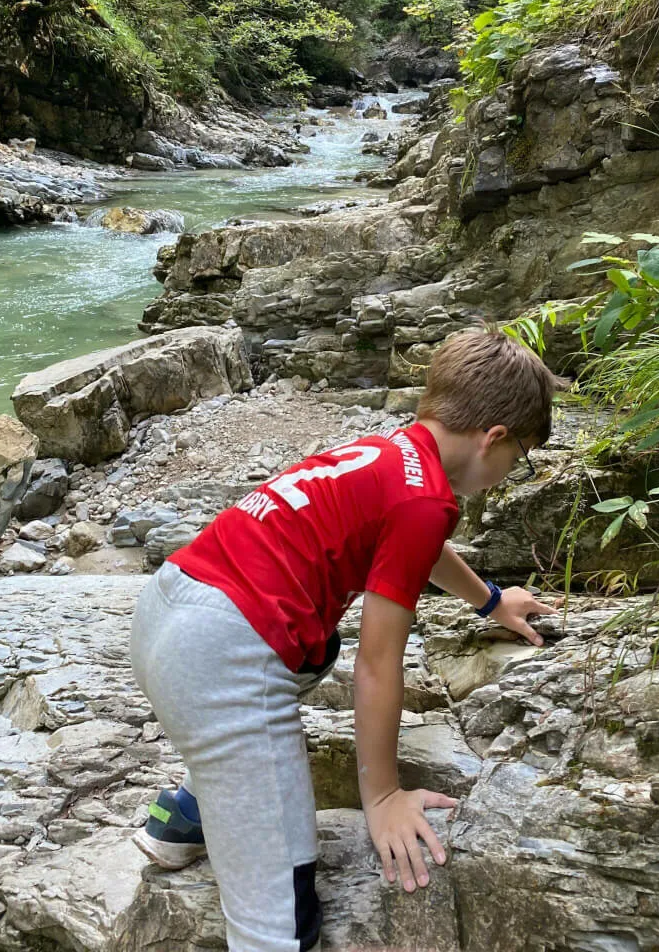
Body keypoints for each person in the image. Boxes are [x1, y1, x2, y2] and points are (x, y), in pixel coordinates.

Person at [130, 328, 564, 952]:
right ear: (493, 437)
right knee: (279, 927)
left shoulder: (392, 454)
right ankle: (230, 815)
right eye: (519, 455)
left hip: (167, 610)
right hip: (218, 659)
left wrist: (491, 601)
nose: (509, 472)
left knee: (316, 646)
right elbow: (379, 663)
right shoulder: (425, 502)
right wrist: (382, 796)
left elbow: (415, 551)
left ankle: (189, 814)